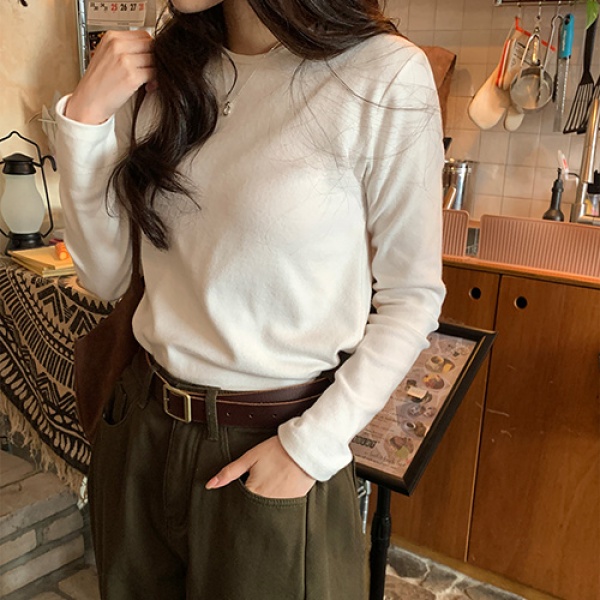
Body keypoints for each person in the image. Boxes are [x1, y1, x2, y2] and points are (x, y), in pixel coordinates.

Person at [55, 0, 446, 598]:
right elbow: (108, 278)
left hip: (271, 442)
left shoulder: (383, 73)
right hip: (142, 431)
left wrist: (309, 449)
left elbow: (412, 297)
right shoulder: (165, 71)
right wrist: (85, 121)